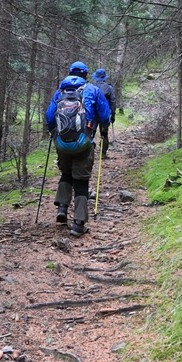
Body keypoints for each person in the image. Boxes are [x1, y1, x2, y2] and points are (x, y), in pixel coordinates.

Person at [45, 62, 111, 236]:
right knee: (81, 181)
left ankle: (62, 208)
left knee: (66, 174)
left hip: (62, 142)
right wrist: (102, 129)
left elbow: (50, 117)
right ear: (86, 75)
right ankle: (78, 224)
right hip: (84, 142)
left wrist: (54, 134)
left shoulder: (59, 92)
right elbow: (105, 116)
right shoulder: (92, 90)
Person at [90, 68, 117, 156]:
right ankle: (103, 153)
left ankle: (90, 153)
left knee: (91, 133)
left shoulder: (91, 87)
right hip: (105, 114)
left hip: (93, 114)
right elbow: (113, 101)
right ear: (105, 77)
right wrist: (113, 114)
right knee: (104, 134)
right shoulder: (109, 88)